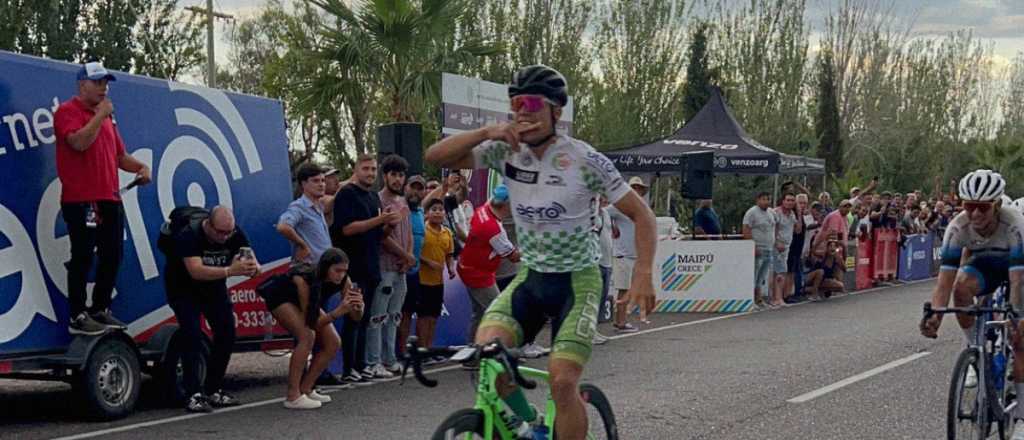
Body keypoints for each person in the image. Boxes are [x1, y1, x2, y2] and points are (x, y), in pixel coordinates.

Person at [424, 64, 657, 440]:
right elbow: (437, 156)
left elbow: (641, 214)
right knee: (490, 357)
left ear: (556, 112)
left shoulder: (584, 159)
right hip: (531, 280)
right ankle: (528, 425)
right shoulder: (506, 152)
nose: (523, 112)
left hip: (577, 282)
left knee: (562, 382)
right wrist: (486, 131)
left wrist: (644, 273)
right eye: (516, 104)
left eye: (532, 103)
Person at [920, 170, 1024, 436]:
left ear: (997, 205)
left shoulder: (1015, 224)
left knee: (1021, 339)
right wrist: (936, 316)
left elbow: (1017, 283)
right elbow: (944, 282)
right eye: (969, 206)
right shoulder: (957, 227)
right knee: (961, 289)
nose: (975, 214)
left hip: (1017, 269)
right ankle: (974, 346)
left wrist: (1016, 317)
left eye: (982, 207)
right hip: (985, 266)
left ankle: (1022, 418)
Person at [54, 61, 153, 335]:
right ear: (82, 84)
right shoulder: (67, 111)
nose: (103, 88)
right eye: (97, 82)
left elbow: (120, 156)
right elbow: (79, 143)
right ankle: (77, 313)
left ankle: (100, 307)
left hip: (110, 196)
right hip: (81, 198)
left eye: (105, 83)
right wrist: (99, 115)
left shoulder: (107, 118)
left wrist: (141, 167)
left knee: (113, 254)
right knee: (83, 255)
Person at [164, 206, 258, 413]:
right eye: (220, 233)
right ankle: (193, 393)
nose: (225, 237)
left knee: (226, 333)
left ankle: (214, 388)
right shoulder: (189, 234)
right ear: (208, 224)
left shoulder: (234, 233)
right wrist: (229, 270)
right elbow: (195, 271)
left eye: (228, 233)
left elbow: (252, 260)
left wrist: (251, 268)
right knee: (192, 336)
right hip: (183, 287)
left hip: (213, 287)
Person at [256, 249, 364, 409]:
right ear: (326, 267)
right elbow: (311, 323)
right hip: (281, 296)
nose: (340, 275)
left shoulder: (345, 281)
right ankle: (293, 396)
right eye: (337, 270)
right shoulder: (305, 279)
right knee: (307, 336)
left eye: (344, 271)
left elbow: (356, 318)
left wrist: (359, 307)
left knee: (333, 342)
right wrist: (337, 312)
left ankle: (306, 388)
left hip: (306, 302)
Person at [330, 154, 400, 384]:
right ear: (356, 170)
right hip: (352, 267)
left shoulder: (373, 197)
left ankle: (362, 365)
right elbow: (347, 229)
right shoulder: (347, 194)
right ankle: (349, 367)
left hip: (371, 266)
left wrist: (389, 226)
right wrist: (379, 222)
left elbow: (378, 236)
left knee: (366, 317)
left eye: (373, 169)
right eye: (366, 169)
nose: (370, 173)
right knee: (353, 318)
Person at [366, 155, 415, 378]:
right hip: (384, 266)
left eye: (401, 175)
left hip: (400, 269)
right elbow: (382, 238)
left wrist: (408, 257)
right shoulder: (378, 201)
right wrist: (404, 255)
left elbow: (409, 233)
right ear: (385, 176)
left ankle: (390, 359)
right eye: (393, 174)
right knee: (378, 316)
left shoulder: (403, 201)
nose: (398, 179)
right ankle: (373, 361)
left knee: (394, 315)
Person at [457, 185, 521, 350]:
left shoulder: (484, 209)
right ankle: (502, 351)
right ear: (506, 205)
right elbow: (513, 257)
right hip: (478, 274)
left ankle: (473, 352)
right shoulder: (494, 230)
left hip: (470, 268)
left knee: (479, 313)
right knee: (500, 313)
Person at [609, 177, 650, 331]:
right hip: (623, 255)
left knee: (626, 290)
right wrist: (611, 227)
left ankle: (620, 321)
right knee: (623, 290)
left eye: (639, 188)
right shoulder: (620, 207)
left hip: (633, 255)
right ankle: (620, 322)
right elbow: (603, 213)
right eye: (634, 187)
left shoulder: (640, 209)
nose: (637, 190)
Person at [417, 198, 456, 351]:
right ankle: (421, 350)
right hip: (422, 280)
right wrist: (428, 262)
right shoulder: (422, 230)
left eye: (441, 209)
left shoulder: (447, 232)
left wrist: (451, 268)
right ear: (427, 213)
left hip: (438, 282)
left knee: (433, 317)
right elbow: (414, 252)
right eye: (434, 209)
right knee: (423, 317)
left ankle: (429, 348)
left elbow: (449, 254)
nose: (438, 212)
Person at [277, 163, 334, 265]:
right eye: (316, 181)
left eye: (323, 180)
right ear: (303, 184)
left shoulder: (319, 207)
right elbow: (283, 227)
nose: (321, 184)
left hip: (323, 270)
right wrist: (303, 246)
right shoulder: (299, 207)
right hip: (309, 271)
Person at [398, 175, 427, 363]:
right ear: (405, 188)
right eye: (412, 187)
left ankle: (404, 351)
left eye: (420, 189)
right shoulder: (399, 208)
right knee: (395, 315)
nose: (415, 192)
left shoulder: (420, 212)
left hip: (415, 271)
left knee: (407, 313)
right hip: (398, 270)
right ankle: (392, 353)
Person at [743, 192, 777, 309]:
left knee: (762, 276)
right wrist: (752, 246)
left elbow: (774, 227)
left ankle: (759, 299)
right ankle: (750, 299)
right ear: (758, 200)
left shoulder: (771, 212)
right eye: (763, 199)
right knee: (754, 274)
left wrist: (775, 241)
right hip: (758, 248)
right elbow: (746, 228)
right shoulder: (752, 212)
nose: (766, 201)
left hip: (769, 248)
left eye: (768, 199)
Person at [772, 193, 799, 306]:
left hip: (786, 247)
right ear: (782, 201)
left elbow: (797, 229)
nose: (790, 202)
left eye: (792, 200)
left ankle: (778, 297)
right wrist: (777, 243)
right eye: (788, 200)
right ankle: (776, 298)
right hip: (777, 246)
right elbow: (774, 229)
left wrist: (799, 211)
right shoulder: (776, 212)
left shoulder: (792, 214)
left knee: (781, 272)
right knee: (778, 272)